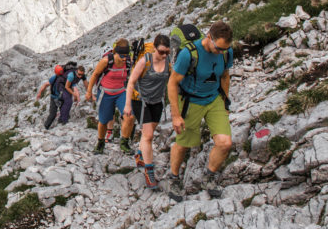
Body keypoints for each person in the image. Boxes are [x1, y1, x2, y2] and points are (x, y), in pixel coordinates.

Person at [166, 21, 234, 202]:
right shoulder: (189, 54)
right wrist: (176, 115)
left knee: (225, 143)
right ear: (209, 37)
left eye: (225, 49)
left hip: (213, 100)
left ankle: (209, 176)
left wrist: (225, 103)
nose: (221, 52)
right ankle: (173, 178)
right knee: (183, 143)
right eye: (219, 48)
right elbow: (172, 83)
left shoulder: (226, 52)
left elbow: (225, 75)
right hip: (190, 101)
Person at [123, 34, 172, 189]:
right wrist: (127, 105)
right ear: (155, 49)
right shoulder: (145, 61)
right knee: (148, 135)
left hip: (157, 102)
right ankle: (149, 171)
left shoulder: (168, 62)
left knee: (149, 132)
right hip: (140, 101)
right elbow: (131, 82)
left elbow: (173, 80)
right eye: (161, 52)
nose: (164, 55)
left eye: (167, 52)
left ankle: (140, 153)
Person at [86, 39, 135, 154]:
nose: (124, 58)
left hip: (121, 92)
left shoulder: (128, 61)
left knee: (130, 116)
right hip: (105, 93)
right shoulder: (106, 61)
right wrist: (89, 91)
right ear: (115, 52)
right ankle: (100, 143)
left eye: (126, 55)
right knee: (103, 121)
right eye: (121, 56)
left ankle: (124, 143)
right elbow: (95, 75)